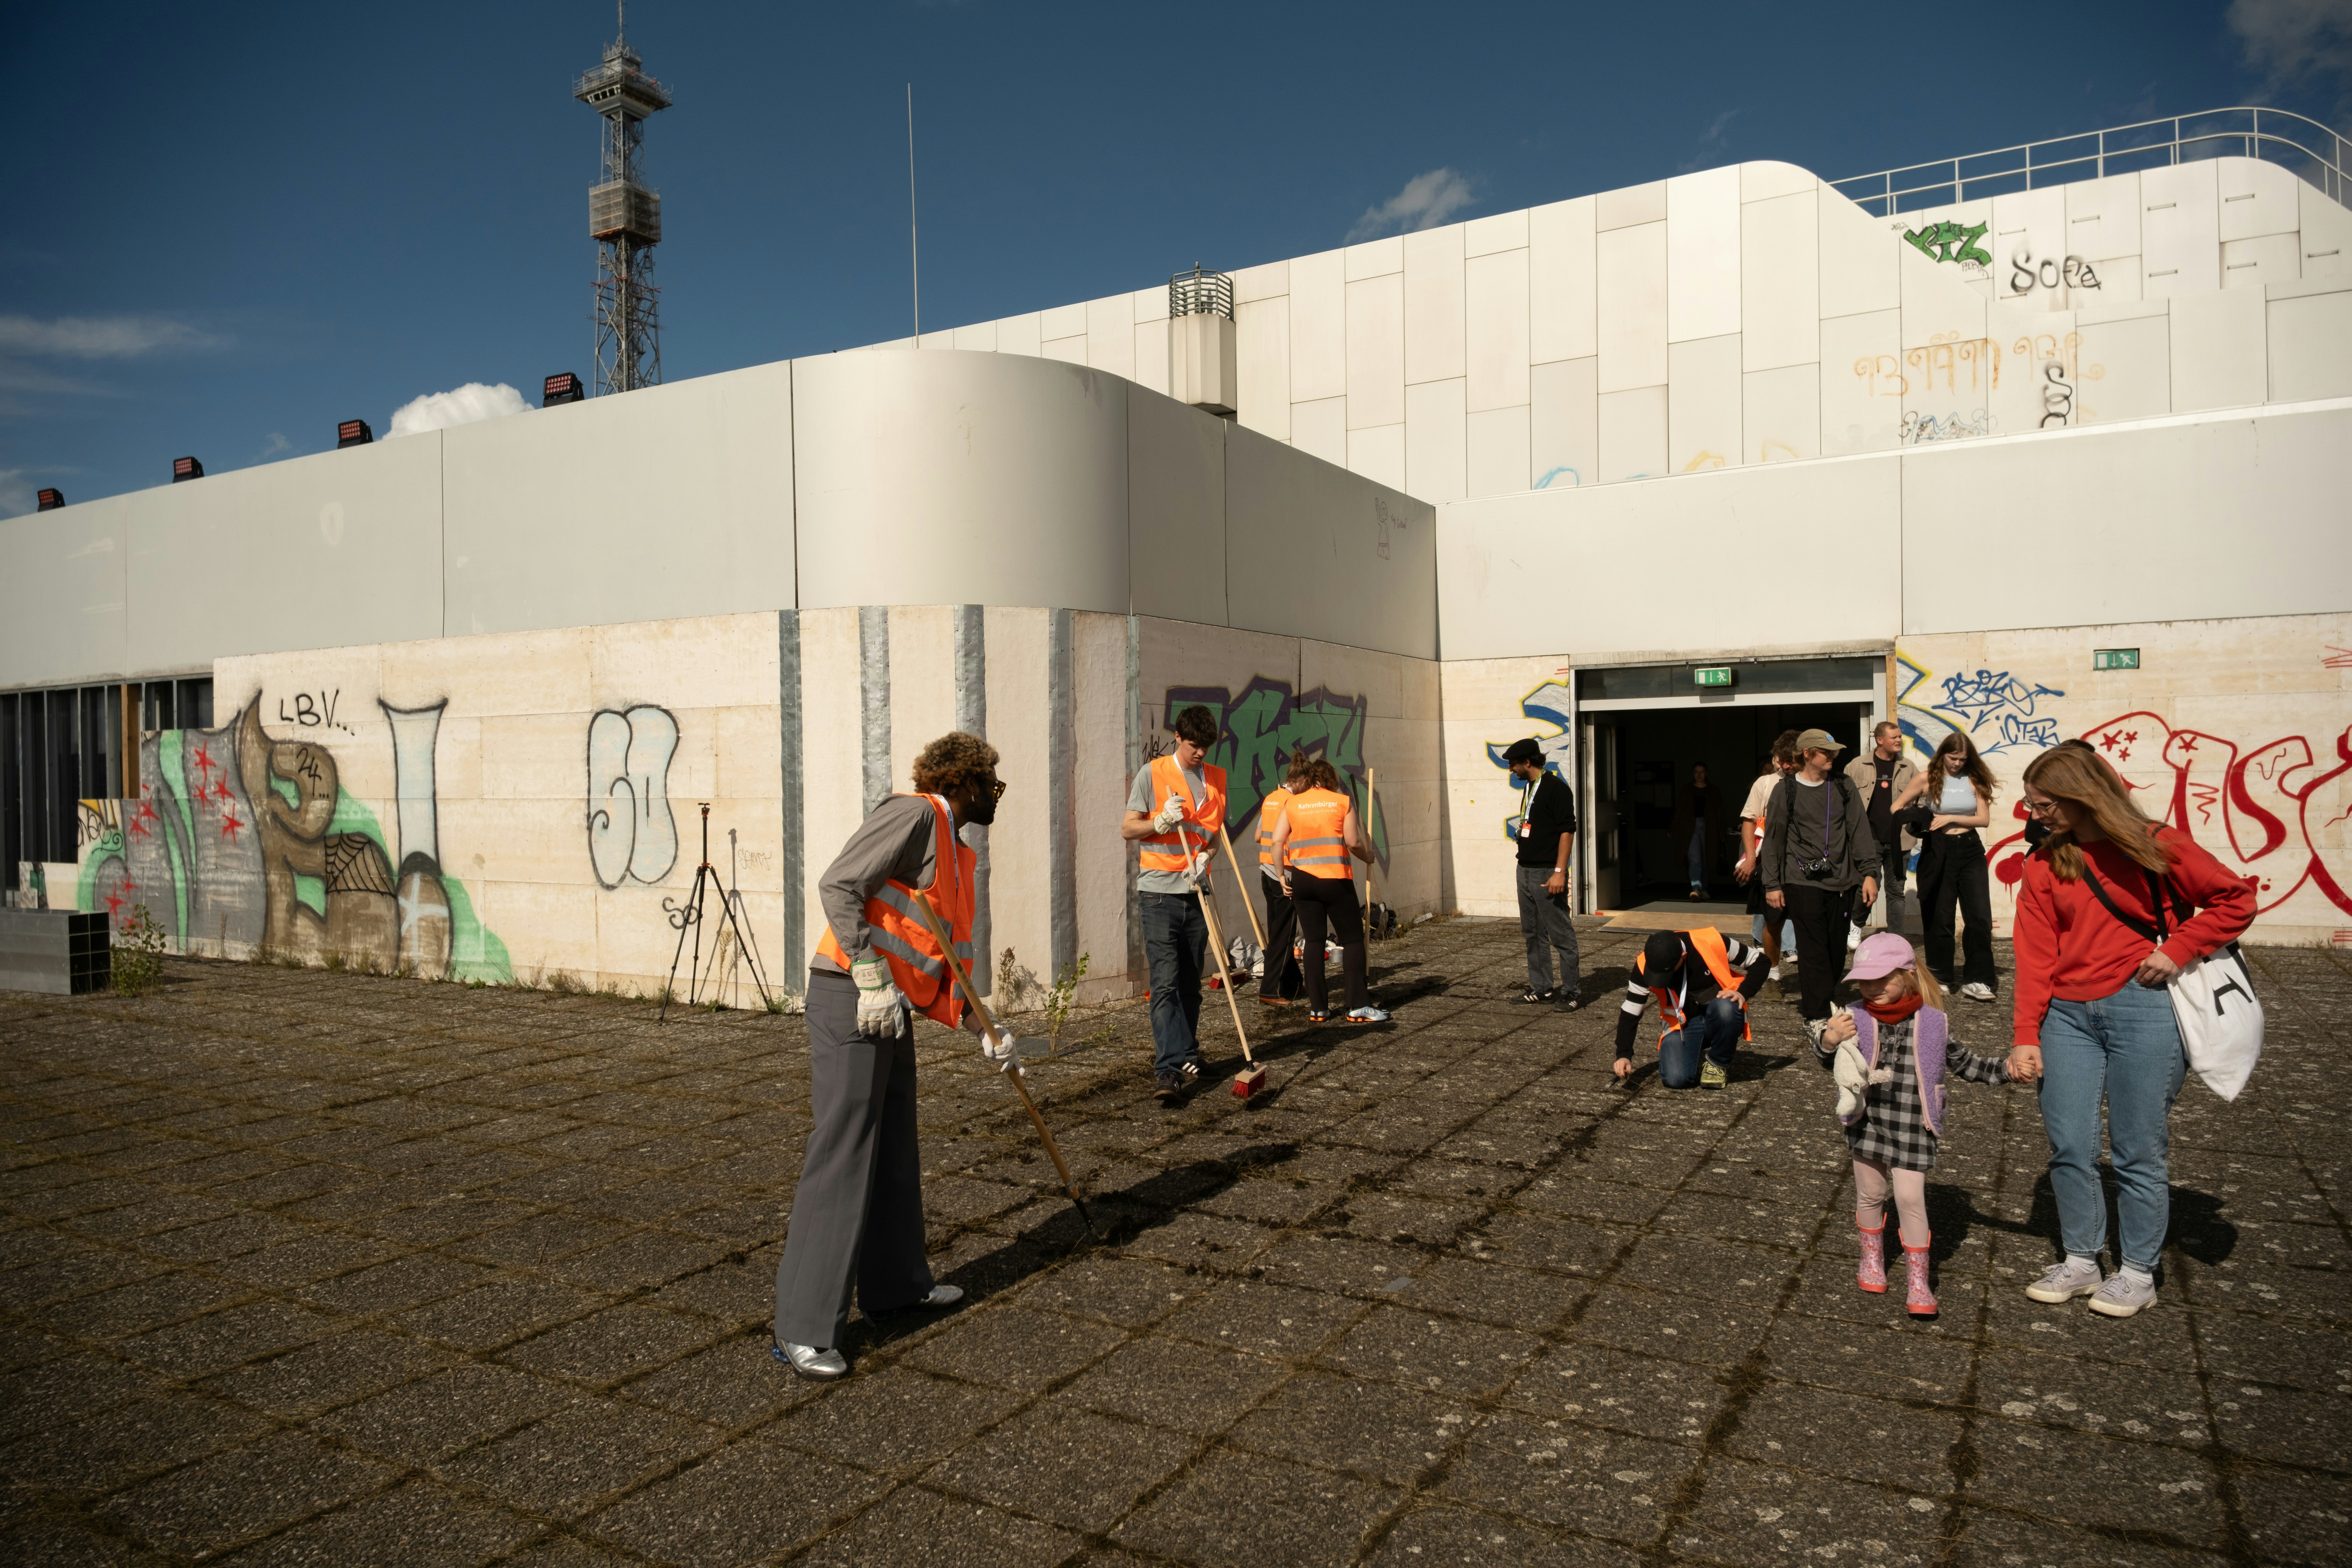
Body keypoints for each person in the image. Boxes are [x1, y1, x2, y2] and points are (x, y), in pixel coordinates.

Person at [773, 732, 1008, 1380]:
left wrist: (978, 1025)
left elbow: (934, 959)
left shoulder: (957, 853)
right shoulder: (914, 813)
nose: (995, 793)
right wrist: (871, 972)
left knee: (895, 1146)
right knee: (844, 1151)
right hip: (851, 996)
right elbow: (840, 883)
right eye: (991, 781)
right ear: (962, 781)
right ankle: (802, 1326)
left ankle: (898, 1288)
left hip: (887, 1007)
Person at [2007, 744, 2255, 1319]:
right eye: (2030, 803)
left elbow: (2233, 899)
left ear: (2080, 794)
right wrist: (2025, 1032)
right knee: (2069, 1144)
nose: (2034, 814)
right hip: (2065, 1017)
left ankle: (2138, 1270)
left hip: (2145, 1008)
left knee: (2136, 1148)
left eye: (2044, 803)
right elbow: (2034, 954)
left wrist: (2179, 948)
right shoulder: (2044, 863)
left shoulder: (2157, 845)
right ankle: (2080, 1258)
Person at [1816, 935, 2015, 1318]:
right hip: (1868, 1120)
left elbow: (1965, 1063)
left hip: (1913, 1123)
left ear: (1907, 975)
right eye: (1865, 981)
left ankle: (1918, 1278)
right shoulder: (1854, 1015)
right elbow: (1829, 1059)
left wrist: (2006, 1070)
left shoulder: (1934, 1023)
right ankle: (1871, 1259)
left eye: (1882, 980)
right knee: (1871, 1193)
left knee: (1909, 1199)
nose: (1872, 989)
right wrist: (1828, 1040)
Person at [1121, 705, 1227, 1104]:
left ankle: (1188, 1055)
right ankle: (1168, 1070)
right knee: (1165, 983)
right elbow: (1128, 828)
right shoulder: (1153, 774)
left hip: (1197, 892)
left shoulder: (1216, 779)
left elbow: (1213, 835)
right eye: (1194, 746)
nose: (1200, 754)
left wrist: (1206, 858)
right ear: (1179, 738)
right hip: (1159, 895)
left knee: (1191, 985)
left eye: (1206, 747)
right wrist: (1159, 823)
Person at [1761, 728, 1880, 1046]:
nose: (1833, 756)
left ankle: (1827, 1001)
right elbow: (1773, 840)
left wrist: (1870, 873)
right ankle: (1817, 1014)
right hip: (1801, 882)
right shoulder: (1785, 790)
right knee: (1813, 949)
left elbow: (1859, 831)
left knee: (1835, 948)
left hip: (1841, 882)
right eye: (1826, 752)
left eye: (1834, 752)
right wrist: (1772, 884)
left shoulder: (1843, 786)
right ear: (1807, 755)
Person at [1271, 757, 1388, 1024]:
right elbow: (1354, 842)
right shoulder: (1341, 802)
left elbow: (1277, 841)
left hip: (1302, 881)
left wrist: (1281, 876)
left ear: (1311, 779)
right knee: (1353, 940)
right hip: (1335, 881)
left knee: (1313, 941)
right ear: (1331, 780)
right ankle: (1358, 1005)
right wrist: (1368, 858)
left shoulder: (1292, 803)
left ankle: (1318, 1008)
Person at [1893, 730, 1999, 1002]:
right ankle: (1940, 977)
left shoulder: (1975, 780)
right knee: (1939, 916)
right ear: (1943, 755)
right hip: (1937, 850)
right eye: (1954, 758)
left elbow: (1983, 820)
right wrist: (1921, 816)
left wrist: (1949, 816)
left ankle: (1978, 979)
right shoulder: (1926, 779)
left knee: (1979, 916)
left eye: (1963, 759)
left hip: (1970, 850)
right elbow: (1897, 808)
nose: (1958, 764)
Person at [1613, 926, 1770, 1089]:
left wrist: (1743, 993)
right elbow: (1630, 1012)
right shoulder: (1644, 964)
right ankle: (1696, 1049)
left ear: (1684, 957)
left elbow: (1762, 961)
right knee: (1675, 1080)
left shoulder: (1712, 942)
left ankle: (1718, 1061)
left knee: (1727, 1007)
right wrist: (1624, 1055)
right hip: (1682, 1026)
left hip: (1720, 1014)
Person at [1502, 738, 1580, 1008]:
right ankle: (1542, 987)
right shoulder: (1530, 787)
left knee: (1561, 934)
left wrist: (1560, 872)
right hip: (1525, 870)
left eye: (1514, 764)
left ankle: (1572, 992)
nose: (1512, 769)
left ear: (1528, 762)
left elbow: (1567, 831)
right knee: (1532, 933)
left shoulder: (1556, 788)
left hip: (1547, 873)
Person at [1843, 722, 1918, 946]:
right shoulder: (1857, 766)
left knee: (1896, 891)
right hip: (1868, 841)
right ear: (1880, 740)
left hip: (1901, 841)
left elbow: (1919, 800)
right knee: (1867, 888)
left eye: (1900, 737)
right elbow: (1842, 803)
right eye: (1894, 737)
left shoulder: (1909, 767)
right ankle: (1856, 926)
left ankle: (1897, 939)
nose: (1899, 740)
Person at [1736, 736, 1797, 985]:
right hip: (1773, 866)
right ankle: (1772, 976)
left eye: (1790, 761)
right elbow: (1749, 821)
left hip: (1804, 866)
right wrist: (1751, 858)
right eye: (1782, 761)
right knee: (1773, 920)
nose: (1786, 766)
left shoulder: (1817, 783)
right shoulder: (1766, 783)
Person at [1255, 755, 1310, 1008]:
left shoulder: (1271, 799)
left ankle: (1292, 983)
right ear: (1303, 781)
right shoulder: (1293, 803)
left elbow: (1258, 836)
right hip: (1284, 874)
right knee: (1285, 935)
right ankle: (1270, 989)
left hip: (1267, 872)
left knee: (1278, 930)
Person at [1668, 762, 1725, 900]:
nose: (1699, 775)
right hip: (1691, 828)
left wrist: (1722, 834)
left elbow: (1720, 813)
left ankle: (1703, 890)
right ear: (1693, 774)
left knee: (1707, 859)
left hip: (1709, 828)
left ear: (1706, 774)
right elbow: (1680, 811)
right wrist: (1673, 828)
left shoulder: (1713, 790)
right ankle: (1696, 889)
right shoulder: (1687, 790)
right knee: (1695, 859)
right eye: (1697, 772)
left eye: (1702, 772)